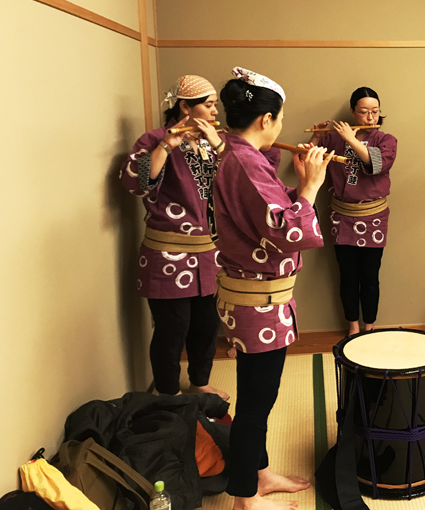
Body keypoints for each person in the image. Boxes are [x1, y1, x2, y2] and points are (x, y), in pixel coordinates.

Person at [211, 66, 332, 510]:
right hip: (257, 303)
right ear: (266, 120)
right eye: (280, 118)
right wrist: (311, 187)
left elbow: (267, 209)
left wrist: (296, 180)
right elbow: (287, 231)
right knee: (256, 402)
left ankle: (259, 473)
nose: (281, 126)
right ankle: (245, 496)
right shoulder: (243, 162)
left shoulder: (242, 154)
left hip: (260, 300)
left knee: (259, 394)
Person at [120, 74, 228, 400]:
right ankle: (168, 394)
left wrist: (219, 146)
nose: (215, 112)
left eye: (215, 105)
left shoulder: (211, 141)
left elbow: (237, 180)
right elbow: (136, 183)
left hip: (208, 253)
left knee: (206, 325)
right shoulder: (153, 139)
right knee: (172, 328)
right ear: (184, 107)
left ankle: (200, 382)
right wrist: (166, 146)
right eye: (208, 105)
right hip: (168, 255)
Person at [308, 87, 397, 335]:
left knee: (370, 276)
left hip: (374, 217)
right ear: (352, 111)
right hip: (341, 216)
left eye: (375, 112)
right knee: (347, 275)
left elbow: (376, 164)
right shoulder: (334, 138)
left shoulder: (386, 140)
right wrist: (316, 137)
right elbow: (306, 161)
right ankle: (353, 327)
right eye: (364, 111)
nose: (370, 117)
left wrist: (351, 140)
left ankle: (369, 327)